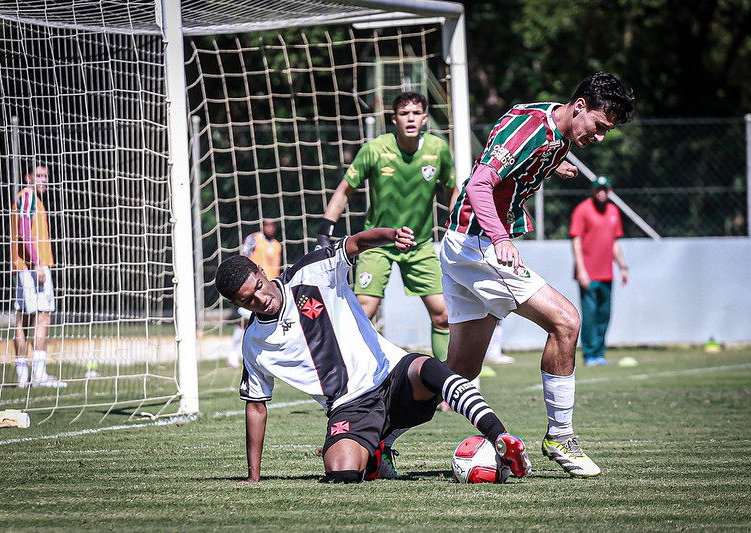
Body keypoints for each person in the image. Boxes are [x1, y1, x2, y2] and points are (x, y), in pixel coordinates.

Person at [215, 226, 532, 483]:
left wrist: (389, 236)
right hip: (349, 405)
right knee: (342, 473)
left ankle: (502, 438)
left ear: (260, 270)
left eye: (259, 286)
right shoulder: (254, 343)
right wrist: (253, 477)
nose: (261, 298)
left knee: (430, 369)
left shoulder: (309, 274)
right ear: (237, 304)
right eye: (249, 300)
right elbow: (256, 406)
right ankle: (376, 453)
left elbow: (353, 244)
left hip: (391, 373)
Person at [439, 72, 635, 478]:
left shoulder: (551, 122)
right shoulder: (532, 130)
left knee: (457, 374)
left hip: (461, 244)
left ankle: (378, 436)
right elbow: (478, 184)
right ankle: (560, 436)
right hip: (480, 243)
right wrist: (499, 238)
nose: (599, 137)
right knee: (566, 321)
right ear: (580, 105)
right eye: (598, 126)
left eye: (606, 132)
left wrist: (554, 163)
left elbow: (519, 146)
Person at [317, 91, 455, 364]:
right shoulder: (375, 149)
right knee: (364, 311)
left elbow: (453, 191)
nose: (410, 118)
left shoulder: (438, 150)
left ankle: (447, 388)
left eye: (416, 113)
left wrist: (459, 227)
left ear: (425, 118)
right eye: (404, 114)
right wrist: (324, 233)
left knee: (444, 315)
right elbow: (344, 190)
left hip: (419, 245)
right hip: (377, 245)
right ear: (394, 120)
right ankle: (340, 376)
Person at [11, 164, 65, 388]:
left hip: (26, 267)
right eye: (39, 175)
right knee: (41, 317)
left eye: (46, 176)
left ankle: (24, 376)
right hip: (32, 267)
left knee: (24, 319)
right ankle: (38, 374)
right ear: (28, 176)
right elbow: (23, 232)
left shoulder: (33, 200)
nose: (44, 180)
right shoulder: (28, 197)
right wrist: (37, 263)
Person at [570, 175, 629, 366]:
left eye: (605, 189)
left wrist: (623, 266)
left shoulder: (613, 211)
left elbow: (614, 243)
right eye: (598, 189)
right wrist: (581, 271)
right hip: (589, 273)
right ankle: (590, 354)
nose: (601, 192)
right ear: (592, 191)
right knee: (590, 315)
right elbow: (576, 242)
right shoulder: (583, 210)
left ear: (610, 191)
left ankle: (600, 352)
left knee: (604, 314)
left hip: (606, 273)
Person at [228, 219, 282, 367]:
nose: (269, 227)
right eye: (266, 224)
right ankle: (233, 351)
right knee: (245, 320)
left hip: (270, 290)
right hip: (254, 289)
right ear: (262, 225)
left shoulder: (277, 245)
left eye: (272, 225)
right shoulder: (254, 239)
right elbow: (244, 257)